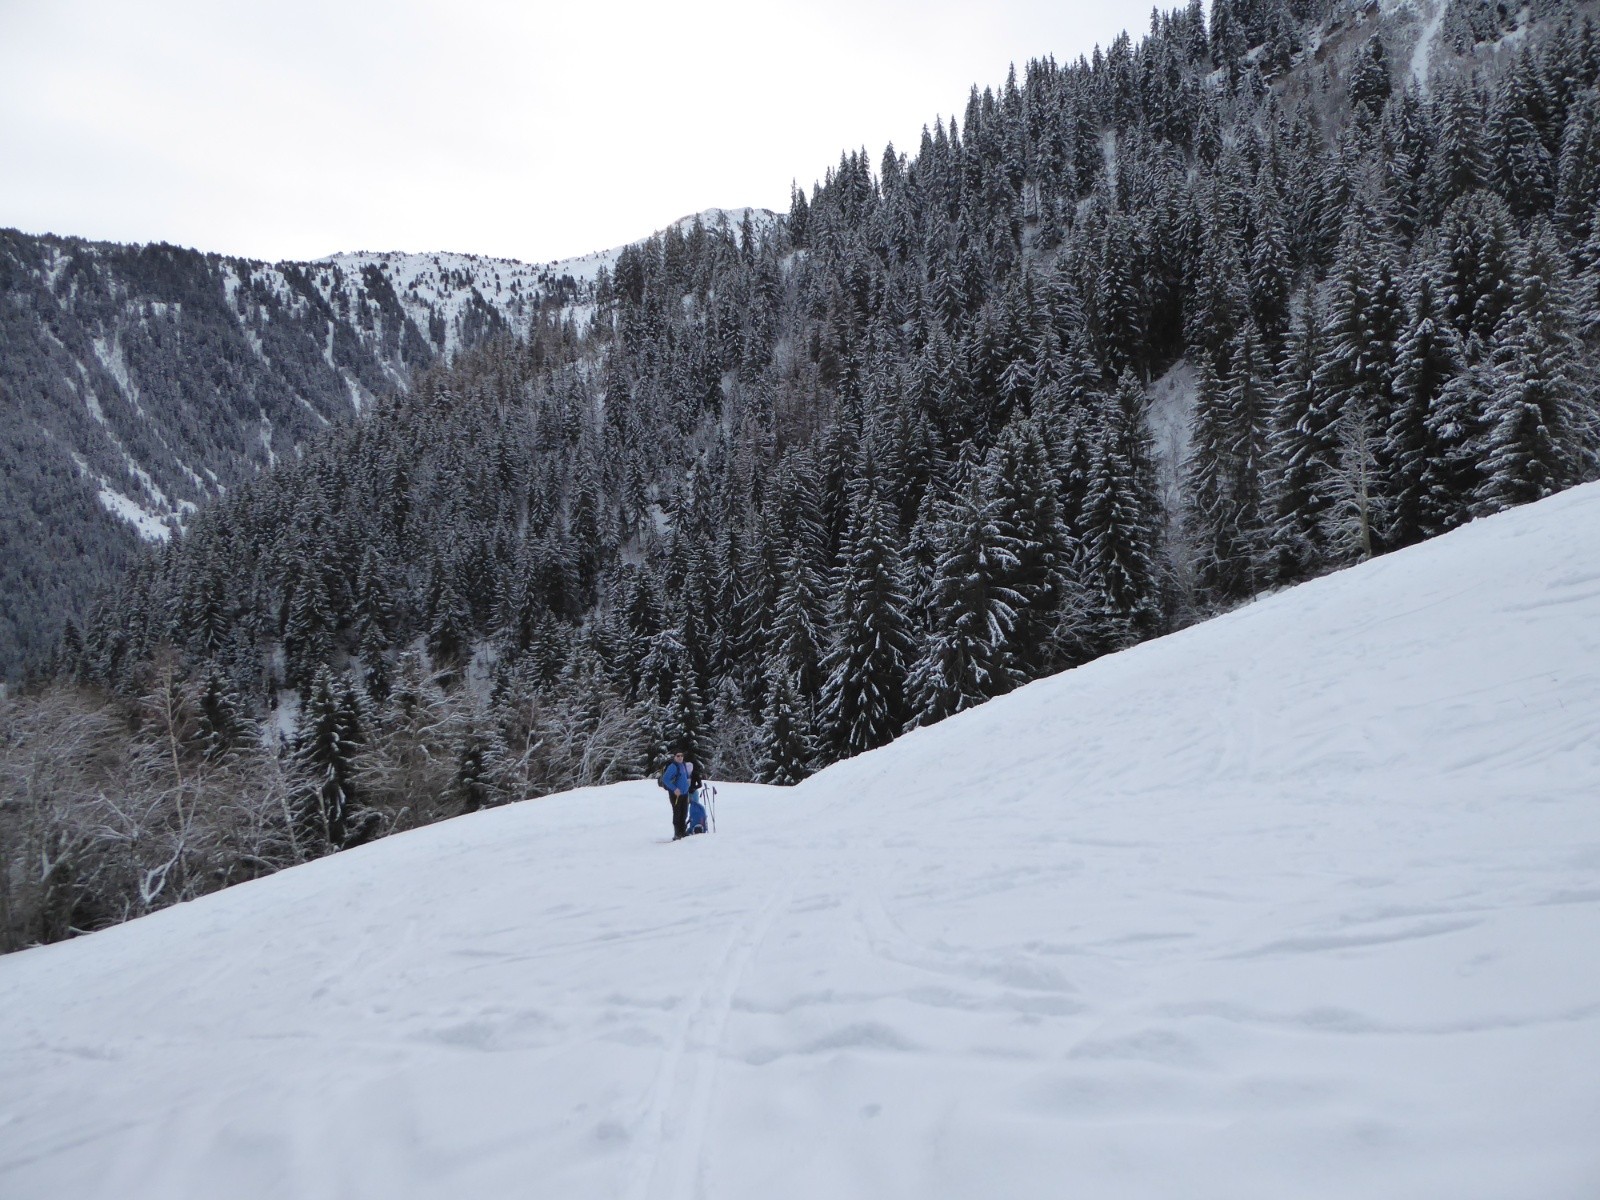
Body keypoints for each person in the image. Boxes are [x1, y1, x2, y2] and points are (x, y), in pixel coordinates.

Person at [660, 749, 695, 840]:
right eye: (678, 756)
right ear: (674, 757)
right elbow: (665, 779)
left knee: (684, 813)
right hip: (676, 795)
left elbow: (685, 777)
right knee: (677, 813)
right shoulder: (673, 766)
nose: (680, 757)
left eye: (681, 756)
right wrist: (674, 789)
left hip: (684, 793)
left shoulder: (683, 765)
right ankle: (677, 834)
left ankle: (683, 832)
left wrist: (688, 785)